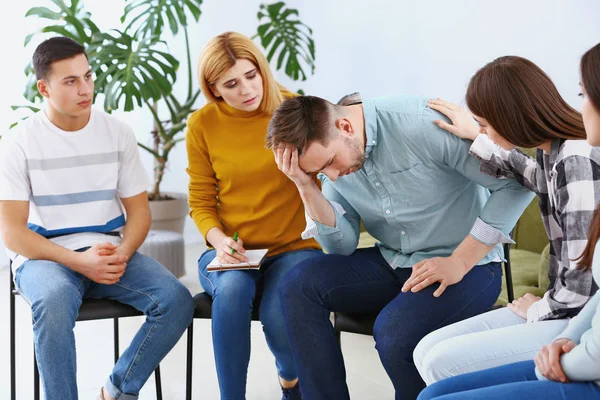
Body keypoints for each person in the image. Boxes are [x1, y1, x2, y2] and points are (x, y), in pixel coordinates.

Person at [264, 88, 535, 399]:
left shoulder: (422, 123)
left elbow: (517, 187)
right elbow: (341, 247)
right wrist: (304, 184)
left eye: (330, 162)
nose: (333, 177)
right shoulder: (333, 158)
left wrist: (459, 261)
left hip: (467, 268)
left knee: (394, 334)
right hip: (396, 262)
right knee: (297, 284)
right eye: (320, 171)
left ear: (345, 127)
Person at [0, 36, 195, 400]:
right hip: (45, 257)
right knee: (54, 300)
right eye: (70, 81)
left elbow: (139, 212)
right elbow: (12, 234)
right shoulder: (19, 143)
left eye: (87, 77)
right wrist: (78, 261)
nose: (85, 88)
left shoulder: (117, 133)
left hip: (107, 252)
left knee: (176, 299)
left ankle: (117, 390)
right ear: (44, 88)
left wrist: (122, 253)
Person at [417, 42, 600, 400]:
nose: (482, 131)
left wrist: (540, 308)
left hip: (570, 316)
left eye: (486, 124)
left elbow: (582, 280)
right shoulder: (555, 152)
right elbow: (533, 175)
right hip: (563, 309)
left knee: (440, 361)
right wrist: (477, 137)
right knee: (426, 350)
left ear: (512, 115)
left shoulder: (575, 159)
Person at [185, 31, 322, 400]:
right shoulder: (202, 125)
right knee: (230, 290)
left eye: (251, 75)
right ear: (214, 88)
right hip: (234, 251)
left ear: (262, 70)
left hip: (295, 247)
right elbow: (200, 201)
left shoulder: (296, 110)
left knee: (279, 317)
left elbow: (326, 183)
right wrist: (220, 242)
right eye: (231, 83)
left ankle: (290, 382)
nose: (246, 89)